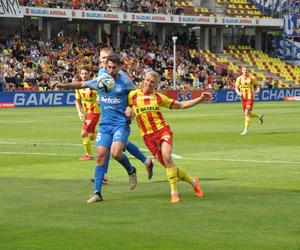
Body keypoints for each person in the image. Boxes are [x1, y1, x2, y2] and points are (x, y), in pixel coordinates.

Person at [52, 53, 138, 203]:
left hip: (120, 124)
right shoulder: (101, 81)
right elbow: (81, 85)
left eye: (114, 67)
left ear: (120, 68)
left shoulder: (125, 82)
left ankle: (131, 170)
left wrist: (130, 106)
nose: (111, 70)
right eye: (108, 67)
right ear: (105, 66)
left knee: (116, 153)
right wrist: (63, 85)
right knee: (100, 156)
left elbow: (136, 95)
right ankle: (97, 193)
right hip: (105, 125)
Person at [127, 70, 212, 203]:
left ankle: (174, 193)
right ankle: (194, 183)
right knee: (169, 165)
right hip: (148, 137)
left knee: (167, 157)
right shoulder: (132, 95)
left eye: (152, 82)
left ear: (156, 85)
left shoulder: (159, 97)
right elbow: (124, 105)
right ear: (144, 80)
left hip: (162, 131)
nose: (149, 83)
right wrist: (127, 108)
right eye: (147, 80)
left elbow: (182, 105)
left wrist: (200, 99)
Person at [98, 48, 154, 183]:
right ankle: (146, 161)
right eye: (102, 58)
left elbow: (135, 93)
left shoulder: (122, 76)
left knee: (111, 146)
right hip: (108, 115)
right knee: (119, 144)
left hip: (121, 116)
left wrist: (130, 107)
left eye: (107, 58)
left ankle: (104, 175)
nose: (105, 61)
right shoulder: (101, 72)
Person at [74, 66, 100, 161]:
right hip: (87, 113)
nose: (84, 75)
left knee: (83, 133)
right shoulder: (78, 87)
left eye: (86, 73)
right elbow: (77, 101)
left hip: (94, 112)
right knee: (91, 136)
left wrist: (100, 98)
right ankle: (112, 140)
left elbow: (103, 94)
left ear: (89, 74)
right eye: (82, 73)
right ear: (80, 74)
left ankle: (88, 155)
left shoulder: (94, 85)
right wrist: (79, 112)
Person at [235, 66, 264, 135]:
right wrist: (238, 93)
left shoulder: (252, 78)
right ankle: (259, 117)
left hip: (250, 97)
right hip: (243, 98)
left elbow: (257, 85)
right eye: (244, 69)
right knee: (248, 113)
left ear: (248, 71)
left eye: (246, 70)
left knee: (246, 112)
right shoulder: (239, 79)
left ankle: (246, 130)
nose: (245, 71)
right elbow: (236, 88)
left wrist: (258, 89)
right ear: (242, 70)